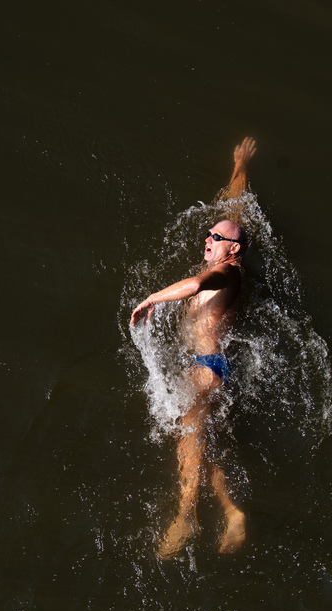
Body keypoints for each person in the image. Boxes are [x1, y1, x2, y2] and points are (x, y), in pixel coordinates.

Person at [129, 137, 257, 559]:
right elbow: (234, 212)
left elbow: (196, 285)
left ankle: (186, 517)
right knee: (203, 442)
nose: (207, 238)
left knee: (188, 439)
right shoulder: (225, 254)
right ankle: (231, 510)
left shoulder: (227, 272)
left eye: (215, 237)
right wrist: (239, 166)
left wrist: (150, 299)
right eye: (207, 234)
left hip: (207, 367)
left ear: (232, 248)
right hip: (209, 366)